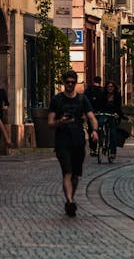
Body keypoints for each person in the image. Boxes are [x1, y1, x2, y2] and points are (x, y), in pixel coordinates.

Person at [48, 69, 99, 217]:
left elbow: (92, 117)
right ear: (63, 82)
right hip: (62, 141)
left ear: (75, 83)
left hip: (78, 140)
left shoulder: (82, 99)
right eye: (67, 82)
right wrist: (60, 121)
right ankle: (70, 201)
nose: (70, 84)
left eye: (73, 82)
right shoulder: (56, 100)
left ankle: (71, 198)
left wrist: (95, 130)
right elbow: (50, 123)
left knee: (76, 175)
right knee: (67, 172)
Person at [98, 80, 124, 163]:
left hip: (113, 114)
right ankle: (101, 140)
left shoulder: (117, 96)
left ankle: (112, 152)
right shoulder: (103, 95)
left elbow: (118, 107)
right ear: (106, 87)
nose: (110, 88)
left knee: (113, 133)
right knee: (100, 124)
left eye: (111, 86)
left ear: (114, 87)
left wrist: (117, 114)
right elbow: (99, 104)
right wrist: (98, 111)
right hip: (104, 113)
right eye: (108, 86)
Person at [84, 76, 104, 155]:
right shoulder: (102, 90)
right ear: (100, 81)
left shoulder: (88, 89)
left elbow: (84, 101)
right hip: (100, 113)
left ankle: (93, 149)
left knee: (91, 131)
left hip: (90, 113)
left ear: (93, 81)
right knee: (99, 129)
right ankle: (101, 144)